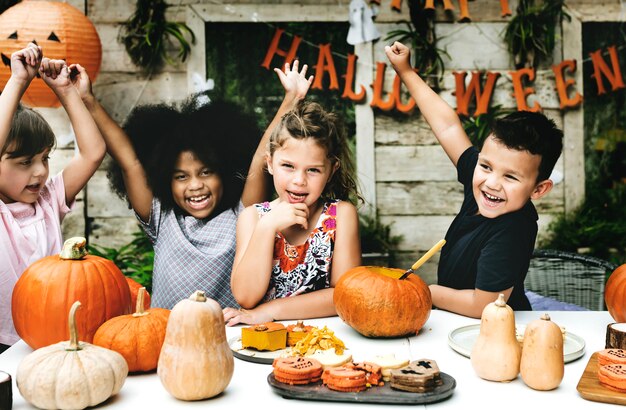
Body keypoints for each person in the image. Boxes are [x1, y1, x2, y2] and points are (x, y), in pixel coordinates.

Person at [76, 61, 314, 309]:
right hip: (166, 339)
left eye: (206, 172)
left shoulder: (243, 215)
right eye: (181, 176)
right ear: (164, 179)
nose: (195, 185)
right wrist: (88, 100)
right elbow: (130, 162)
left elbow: (259, 159)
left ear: (224, 173)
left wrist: (292, 98)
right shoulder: (161, 218)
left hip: (228, 341)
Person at [385, 41, 563, 318]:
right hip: (453, 321)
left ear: (539, 189)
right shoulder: (482, 183)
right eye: (486, 166)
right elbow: (447, 126)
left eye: (511, 177)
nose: (492, 182)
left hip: (495, 329)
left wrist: (424, 291)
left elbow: (485, 305)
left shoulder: (513, 229)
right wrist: (406, 71)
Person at [0, 43, 106, 351]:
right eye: (24, 162)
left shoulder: (47, 201)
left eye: (44, 158)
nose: (39, 172)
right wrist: (18, 81)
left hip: (49, 337)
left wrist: (65, 90)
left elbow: (92, 153)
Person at [223, 100, 362, 326]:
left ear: (331, 171)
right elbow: (246, 297)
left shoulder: (340, 216)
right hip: (265, 341)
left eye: (313, 170)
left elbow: (346, 295)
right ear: (269, 163)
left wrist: (272, 310)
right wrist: (267, 227)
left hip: (327, 338)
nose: (299, 181)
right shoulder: (253, 217)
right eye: (288, 166)